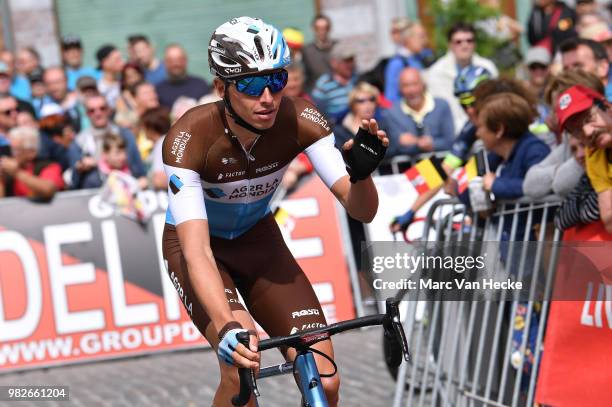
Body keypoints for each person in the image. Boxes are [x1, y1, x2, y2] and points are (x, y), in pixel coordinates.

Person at [163, 16, 388, 407]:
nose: (266, 97)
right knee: (241, 369)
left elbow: (361, 210)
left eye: (276, 80)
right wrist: (228, 324)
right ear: (221, 87)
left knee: (326, 379)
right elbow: (197, 250)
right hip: (200, 250)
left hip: (259, 240)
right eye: (250, 84)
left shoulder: (302, 119)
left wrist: (363, 176)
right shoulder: (190, 137)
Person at [523, 70, 603, 199]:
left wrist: (576, 162)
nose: (553, 117)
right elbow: (530, 184)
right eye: (555, 111)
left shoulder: (599, 139)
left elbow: (562, 186)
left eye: (559, 111)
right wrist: (559, 170)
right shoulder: (568, 139)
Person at [555, 85, 612, 233]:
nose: (587, 132)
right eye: (577, 130)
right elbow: (609, 219)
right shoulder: (595, 155)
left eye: (589, 119)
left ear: (607, 107)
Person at [424, 22, 498, 133]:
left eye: (469, 40)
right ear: (450, 45)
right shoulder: (436, 72)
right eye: (458, 42)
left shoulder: (488, 68)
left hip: (487, 129)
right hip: (453, 133)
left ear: (475, 44)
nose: (465, 45)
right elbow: (441, 112)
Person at [68, 94, 145, 189]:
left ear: (109, 110)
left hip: (125, 190)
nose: (98, 113)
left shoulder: (125, 134)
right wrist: (80, 168)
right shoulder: (79, 142)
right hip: (94, 193)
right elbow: (74, 182)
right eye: (92, 111)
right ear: (87, 114)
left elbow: (138, 169)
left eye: (102, 108)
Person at [383, 67, 454, 157]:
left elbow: (450, 141)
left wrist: (432, 143)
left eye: (415, 84)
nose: (411, 90)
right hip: (408, 169)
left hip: (441, 165)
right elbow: (395, 147)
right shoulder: (392, 113)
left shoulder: (441, 106)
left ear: (423, 85)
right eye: (406, 85)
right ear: (400, 89)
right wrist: (418, 143)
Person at [0, 126, 64, 199]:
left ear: (32, 152)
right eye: (11, 149)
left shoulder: (48, 166)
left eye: (17, 150)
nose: (12, 154)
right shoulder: (8, 172)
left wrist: (17, 173)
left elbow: (48, 189)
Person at [311, 41, 357, 124]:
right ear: (334, 63)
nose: (350, 64)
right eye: (346, 60)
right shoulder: (323, 84)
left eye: (352, 60)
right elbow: (319, 114)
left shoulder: (358, 79)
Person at [384, 21, 429, 103]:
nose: (425, 41)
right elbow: (391, 98)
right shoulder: (397, 63)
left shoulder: (420, 58)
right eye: (421, 37)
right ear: (408, 39)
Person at [155, 44, 210, 109]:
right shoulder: (158, 91)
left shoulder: (201, 85)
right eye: (171, 60)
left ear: (185, 60)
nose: (175, 64)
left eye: (179, 59)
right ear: (165, 63)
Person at [302, 14, 336, 92]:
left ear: (329, 29)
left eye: (325, 28)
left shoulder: (337, 47)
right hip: (316, 93)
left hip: (336, 91)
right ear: (313, 29)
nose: (322, 31)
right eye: (318, 28)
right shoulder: (307, 51)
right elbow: (304, 75)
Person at [141, 106, 170, 190]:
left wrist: (146, 182)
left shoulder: (162, 144)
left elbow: (160, 180)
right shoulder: (167, 141)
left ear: (150, 128)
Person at [114, 62, 146, 129]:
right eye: (128, 77)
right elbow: (120, 121)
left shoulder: (148, 91)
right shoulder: (122, 99)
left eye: (135, 74)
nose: (133, 79)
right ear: (124, 81)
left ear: (140, 75)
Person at [96, 44, 124, 109]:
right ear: (105, 62)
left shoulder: (125, 81)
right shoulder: (99, 88)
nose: (122, 62)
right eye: (117, 60)